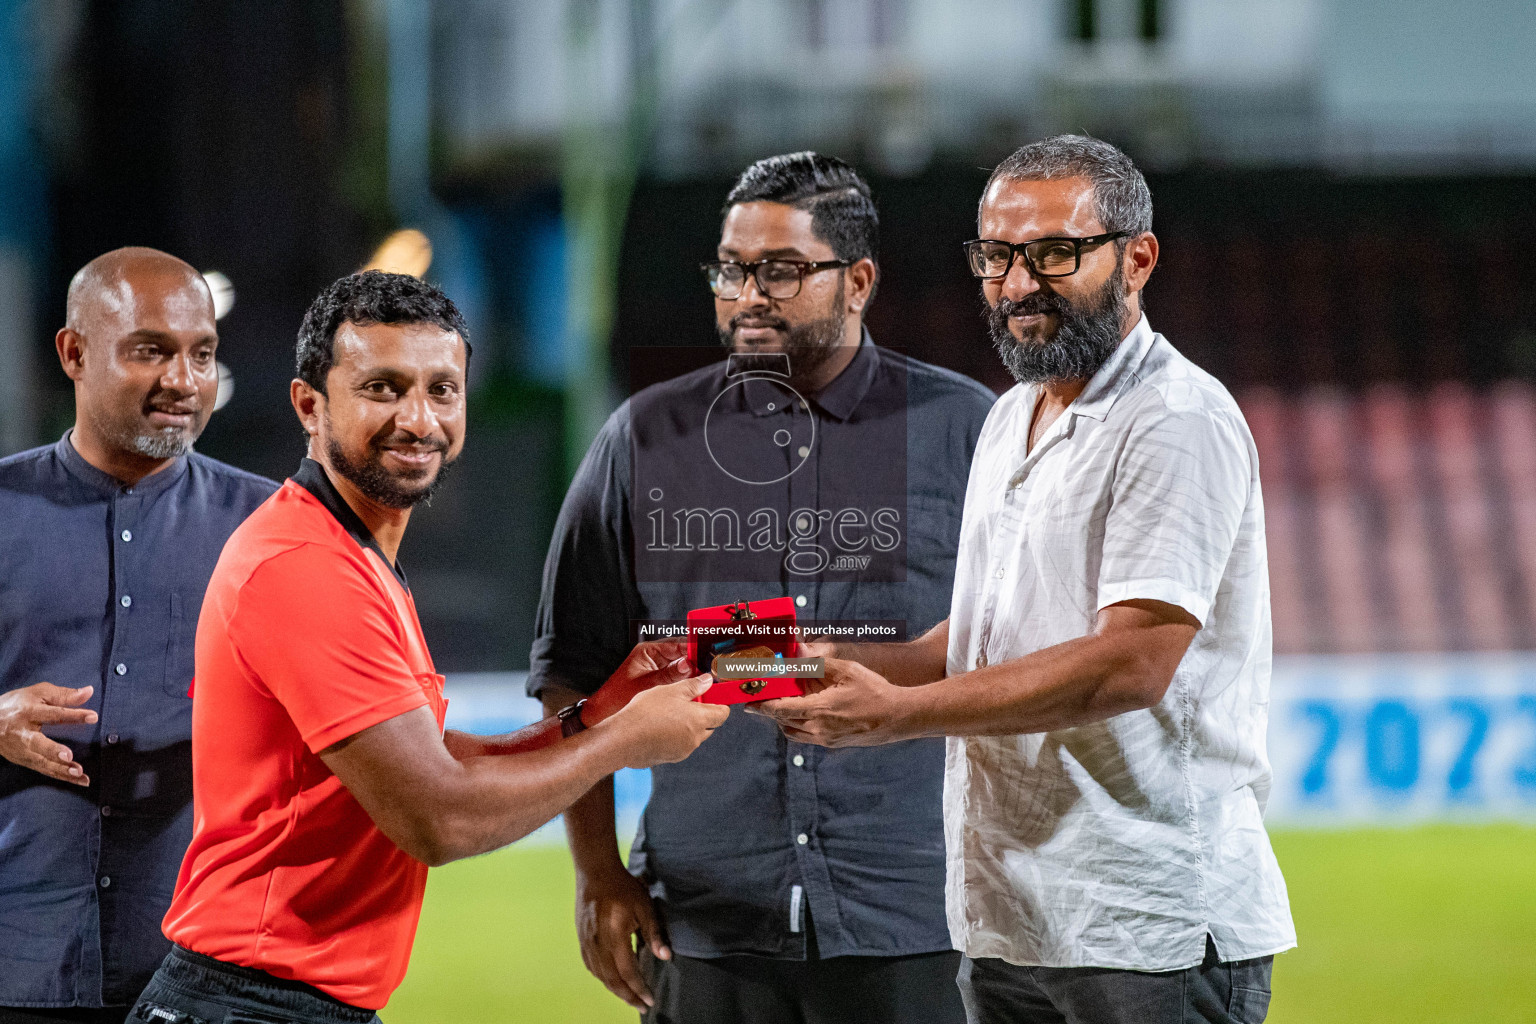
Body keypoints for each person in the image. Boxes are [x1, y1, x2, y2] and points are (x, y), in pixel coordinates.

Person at [755, 136, 1296, 1024]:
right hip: (1012, 920)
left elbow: (1132, 663)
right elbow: (971, 643)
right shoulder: (1012, 416)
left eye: (1053, 253)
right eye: (996, 256)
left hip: (1144, 924)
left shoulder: (1177, 419)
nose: (1015, 284)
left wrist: (897, 718)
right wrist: (817, 659)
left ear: (1138, 258)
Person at [129, 271, 728, 1024]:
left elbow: (435, 760)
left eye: (442, 389)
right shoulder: (304, 569)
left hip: (274, 1003)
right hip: (250, 1004)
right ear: (309, 406)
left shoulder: (350, 551)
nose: (419, 419)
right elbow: (440, 820)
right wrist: (620, 741)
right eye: (383, 388)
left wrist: (598, 714)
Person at [531, 152, 995, 1023]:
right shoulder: (644, 439)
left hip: (914, 916)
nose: (747, 294)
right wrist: (597, 871)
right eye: (731, 269)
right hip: (704, 923)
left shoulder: (968, 431)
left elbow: (1016, 647)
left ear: (857, 282)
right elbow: (572, 669)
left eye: (780, 271)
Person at [0, 248, 278, 1024]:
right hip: (17, 961)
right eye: (150, 350)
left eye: (202, 354)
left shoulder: (271, 529)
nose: (183, 381)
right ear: (73, 353)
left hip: (202, 974)